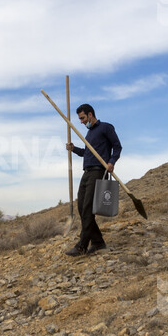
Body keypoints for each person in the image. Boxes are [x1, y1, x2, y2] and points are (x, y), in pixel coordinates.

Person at [64, 103, 122, 256]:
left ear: (90, 115)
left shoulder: (106, 127)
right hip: (87, 172)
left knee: (88, 209)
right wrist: (73, 148)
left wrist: (111, 162)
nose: (81, 121)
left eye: (82, 118)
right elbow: (87, 153)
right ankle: (98, 242)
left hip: (98, 171)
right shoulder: (89, 134)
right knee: (82, 208)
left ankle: (82, 246)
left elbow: (117, 146)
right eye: (79, 119)